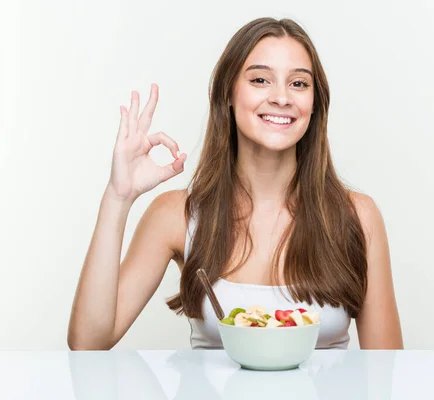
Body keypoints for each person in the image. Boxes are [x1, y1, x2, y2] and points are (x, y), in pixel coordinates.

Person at [67, 17, 403, 351]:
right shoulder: (175, 215)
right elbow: (89, 343)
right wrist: (118, 197)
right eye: (260, 79)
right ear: (228, 93)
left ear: (314, 104)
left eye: (299, 84)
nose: (282, 98)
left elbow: (386, 371)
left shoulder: (357, 217)